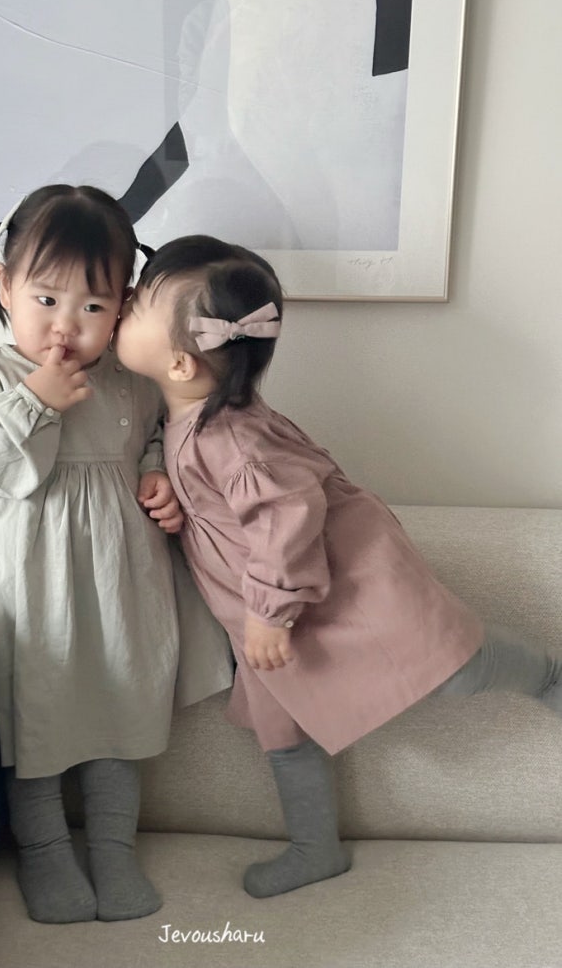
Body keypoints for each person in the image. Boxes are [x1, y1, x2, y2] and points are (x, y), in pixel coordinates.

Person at [115, 233, 562, 900]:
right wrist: (162, 479)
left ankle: (548, 675)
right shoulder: (184, 415)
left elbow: (288, 513)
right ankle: (315, 845)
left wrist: (270, 612)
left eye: (138, 302)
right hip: (264, 621)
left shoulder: (232, 438)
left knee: (452, 668)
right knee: (280, 729)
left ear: (179, 363)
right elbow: (193, 477)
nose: (123, 301)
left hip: (335, 593)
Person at [0, 189, 232, 924]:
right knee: (35, 723)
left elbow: (161, 436)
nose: (65, 325)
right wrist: (35, 399)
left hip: (122, 583)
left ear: (123, 305)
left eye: (93, 306)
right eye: (45, 299)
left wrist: (160, 476)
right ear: (5, 284)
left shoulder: (132, 380)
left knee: (120, 715)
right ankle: (44, 851)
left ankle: (112, 847)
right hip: (34, 590)